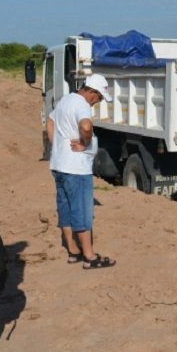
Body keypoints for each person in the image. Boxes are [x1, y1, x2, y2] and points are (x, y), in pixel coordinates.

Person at [46, 74, 116, 269]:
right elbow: (85, 126)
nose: (98, 102)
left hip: (59, 165)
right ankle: (89, 256)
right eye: (99, 98)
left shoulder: (65, 99)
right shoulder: (82, 105)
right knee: (82, 211)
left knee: (65, 209)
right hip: (76, 168)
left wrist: (57, 145)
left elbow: (50, 122)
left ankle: (73, 252)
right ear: (92, 92)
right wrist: (85, 142)